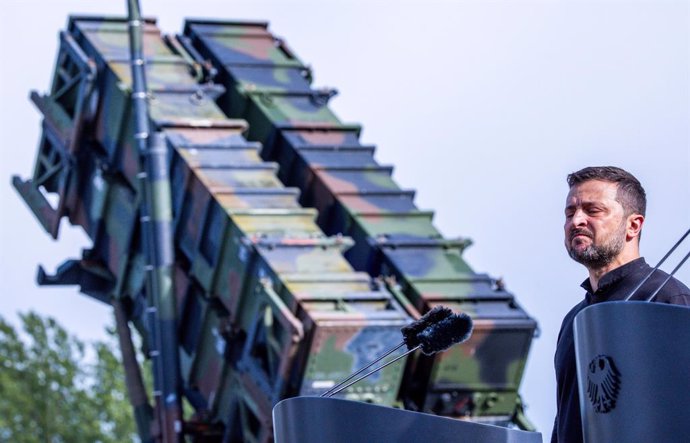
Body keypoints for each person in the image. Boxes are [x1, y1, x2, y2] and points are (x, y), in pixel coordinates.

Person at [552, 166, 690, 443]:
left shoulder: (670, 301)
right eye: (570, 213)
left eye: (593, 211)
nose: (576, 220)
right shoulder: (574, 320)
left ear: (633, 225)